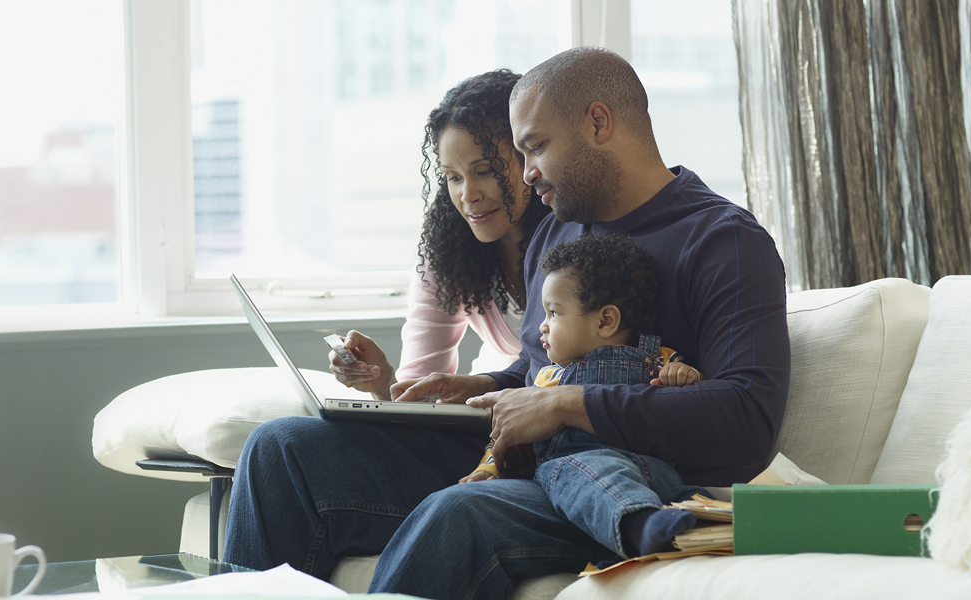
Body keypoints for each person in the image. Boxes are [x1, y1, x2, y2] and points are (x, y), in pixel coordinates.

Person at [225, 46, 790, 600]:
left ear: (598, 123)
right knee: (281, 449)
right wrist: (484, 385)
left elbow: (748, 421)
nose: (527, 174)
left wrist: (565, 407)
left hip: (624, 481)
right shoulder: (557, 232)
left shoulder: (723, 241)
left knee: (460, 512)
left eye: (535, 147)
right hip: (521, 460)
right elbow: (540, 369)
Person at [460, 233, 708, 561]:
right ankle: (647, 527)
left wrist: (685, 376)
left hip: (650, 469)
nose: (541, 328)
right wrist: (490, 470)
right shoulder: (548, 379)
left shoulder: (658, 358)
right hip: (582, 473)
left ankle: (673, 523)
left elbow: (696, 401)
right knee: (568, 473)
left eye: (554, 313)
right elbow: (511, 437)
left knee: (569, 472)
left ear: (606, 321)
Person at [328, 69, 550, 401]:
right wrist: (381, 378)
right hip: (485, 412)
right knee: (280, 437)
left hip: (524, 407)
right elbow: (416, 394)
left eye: (485, 171)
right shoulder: (450, 249)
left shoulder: (570, 234)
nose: (468, 195)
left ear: (529, 158)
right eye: (454, 177)